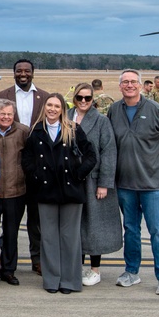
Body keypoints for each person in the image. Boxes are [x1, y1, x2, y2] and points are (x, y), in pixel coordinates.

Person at [108, 69, 159, 296]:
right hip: (125, 184)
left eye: (133, 82)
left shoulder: (155, 110)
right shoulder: (114, 110)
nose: (129, 85)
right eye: (125, 82)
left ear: (140, 85)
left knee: (157, 231)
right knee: (130, 229)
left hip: (153, 186)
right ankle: (131, 271)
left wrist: (156, 164)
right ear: (120, 86)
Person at [22, 93, 96, 294]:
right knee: (49, 237)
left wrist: (78, 174)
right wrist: (36, 176)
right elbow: (26, 159)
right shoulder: (36, 132)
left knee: (69, 237)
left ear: (63, 109)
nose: (52, 109)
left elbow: (91, 155)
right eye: (49, 105)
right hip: (46, 191)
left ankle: (70, 281)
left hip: (71, 191)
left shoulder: (73, 130)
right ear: (44, 107)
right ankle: (52, 279)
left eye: (57, 106)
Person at [0, 58, 48, 275]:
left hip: (35, 167)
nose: (23, 74)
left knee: (36, 220)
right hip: (10, 167)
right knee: (10, 224)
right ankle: (7, 263)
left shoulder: (44, 97)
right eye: (19, 71)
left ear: (33, 73)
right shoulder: (3, 96)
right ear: (13, 73)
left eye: (27, 70)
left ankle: (38, 259)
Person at [68, 83, 120, 287]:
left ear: (93, 100)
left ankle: (95, 269)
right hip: (71, 179)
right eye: (79, 98)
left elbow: (108, 152)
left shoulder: (101, 121)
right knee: (76, 223)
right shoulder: (66, 116)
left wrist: (104, 183)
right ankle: (77, 267)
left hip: (93, 180)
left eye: (87, 98)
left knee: (94, 224)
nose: (83, 102)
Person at [0, 99, 29, 286]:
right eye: (2, 113)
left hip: (16, 191)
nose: (6, 117)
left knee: (11, 234)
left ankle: (9, 270)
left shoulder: (23, 132)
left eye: (9, 114)